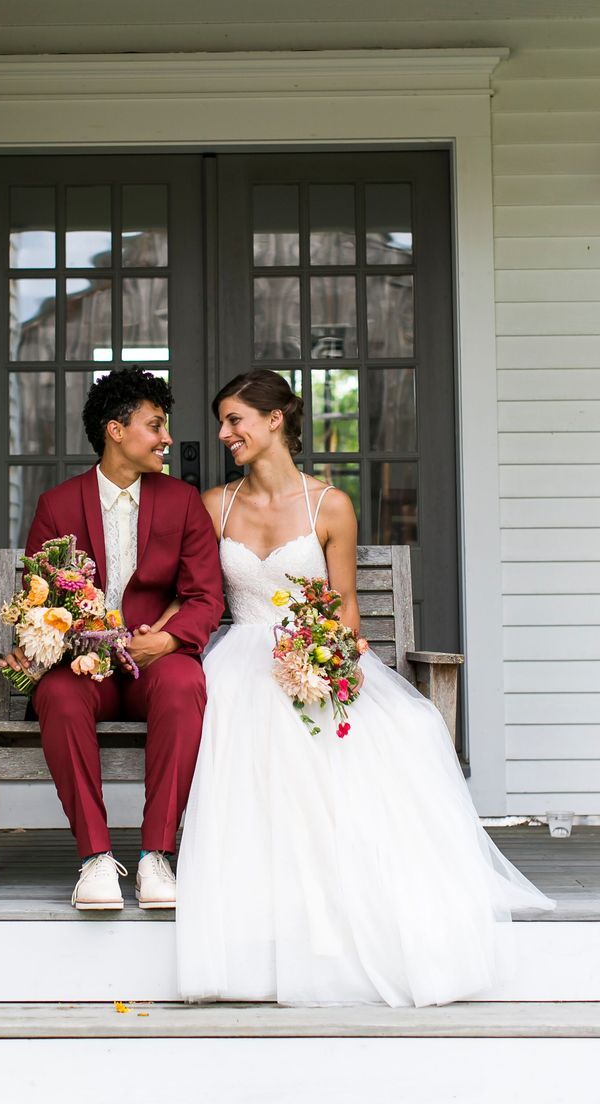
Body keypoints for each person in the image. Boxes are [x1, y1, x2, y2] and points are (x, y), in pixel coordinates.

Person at [176, 368, 554, 1007]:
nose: (224, 433)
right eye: (223, 422)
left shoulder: (331, 505)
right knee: (246, 723)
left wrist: (326, 656)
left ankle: (345, 899)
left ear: (274, 421)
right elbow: (202, 599)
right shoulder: (215, 506)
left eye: (235, 420)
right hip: (239, 653)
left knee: (404, 729)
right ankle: (264, 906)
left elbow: (345, 604)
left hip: (309, 648)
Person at [0, 368, 224, 911]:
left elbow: (205, 596)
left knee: (184, 683)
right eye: (155, 425)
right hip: (83, 667)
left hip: (155, 659)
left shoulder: (182, 502)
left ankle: (155, 855)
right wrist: (65, 643)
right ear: (115, 431)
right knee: (55, 694)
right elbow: (40, 597)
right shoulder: (57, 505)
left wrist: (167, 642)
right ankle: (95, 858)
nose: (166, 437)